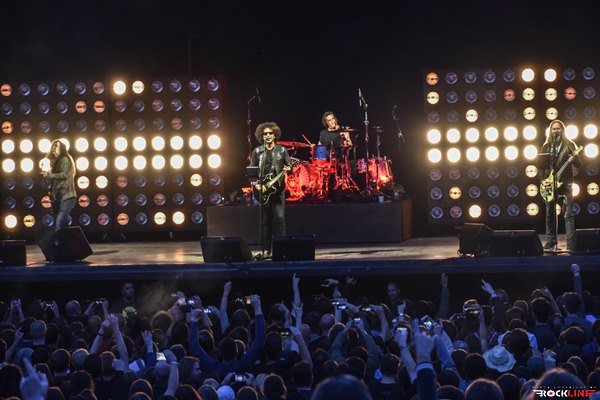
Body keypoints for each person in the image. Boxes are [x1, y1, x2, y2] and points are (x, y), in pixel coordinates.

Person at [538, 119, 581, 252]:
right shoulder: (546, 146)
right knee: (550, 213)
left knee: (568, 214)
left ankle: (571, 245)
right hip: (550, 184)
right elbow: (541, 167)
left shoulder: (570, 145)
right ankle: (551, 243)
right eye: (554, 129)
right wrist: (543, 182)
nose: (556, 131)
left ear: (562, 130)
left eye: (558, 128)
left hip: (566, 183)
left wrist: (574, 160)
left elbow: (579, 164)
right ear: (550, 131)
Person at [250, 122, 291, 254]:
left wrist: (289, 169)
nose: (267, 136)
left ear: (275, 135)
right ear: (261, 136)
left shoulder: (282, 150)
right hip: (263, 191)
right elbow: (251, 172)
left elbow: (289, 166)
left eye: (270, 133)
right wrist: (257, 184)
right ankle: (266, 249)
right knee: (265, 222)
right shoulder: (257, 151)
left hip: (278, 190)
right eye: (265, 134)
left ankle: (282, 249)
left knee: (279, 219)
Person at [40, 139, 76, 231]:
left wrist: (49, 175)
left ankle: (63, 238)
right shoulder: (54, 162)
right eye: (53, 146)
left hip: (67, 197)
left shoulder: (65, 159)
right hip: (59, 197)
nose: (53, 148)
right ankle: (67, 238)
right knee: (61, 222)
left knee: (60, 222)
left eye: (56, 146)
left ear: (61, 148)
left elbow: (64, 175)